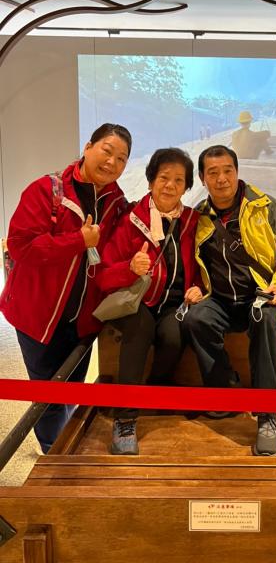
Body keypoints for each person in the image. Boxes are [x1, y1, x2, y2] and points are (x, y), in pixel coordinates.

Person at [0, 123, 132, 454]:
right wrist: (78, 241)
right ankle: (54, 454)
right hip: (37, 318)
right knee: (47, 398)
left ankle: (65, 445)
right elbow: (20, 247)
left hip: (82, 320)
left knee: (72, 387)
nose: (112, 162)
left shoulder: (117, 202)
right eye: (107, 151)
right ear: (88, 147)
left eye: (121, 158)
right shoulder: (47, 190)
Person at [183, 145, 276, 457]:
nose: (221, 179)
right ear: (202, 178)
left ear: (237, 172)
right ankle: (226, 392)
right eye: (213, 172)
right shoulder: (198, 217)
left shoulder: (265, 207)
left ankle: (268, 414)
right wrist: (196, 286)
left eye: (227, 170)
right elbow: (191, 261)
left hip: (261, 298)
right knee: (196, 318)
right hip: (221, 300)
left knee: (267, 321)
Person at [95, 148, 203, 455]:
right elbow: (102, 276)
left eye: (179, 180)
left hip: (172, 304)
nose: (170, 185)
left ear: (187, 186)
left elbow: (202, 266)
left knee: (174, 334)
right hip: (132, 303)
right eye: (164, 177)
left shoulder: (193, 221)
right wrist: (129, 268)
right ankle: (125, 419)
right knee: (141, 326)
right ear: (151, 180)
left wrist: (197, 287)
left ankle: (155, 390)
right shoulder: (130, 219)